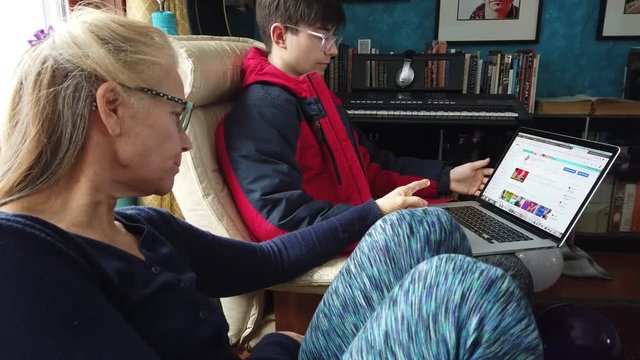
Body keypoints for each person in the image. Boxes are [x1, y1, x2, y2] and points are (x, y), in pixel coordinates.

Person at [0, 6, 543, 360]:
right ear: (111, 109)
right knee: (469, 290)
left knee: (420, 233)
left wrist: (377, 212)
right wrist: (273, 353)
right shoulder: (21, 260)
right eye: (176, 115)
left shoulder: (142, 226)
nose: (188, 142)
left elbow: (264, 264)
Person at [216, 0, 535, 295]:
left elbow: (370, 167)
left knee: (493, 241)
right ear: (280, 35)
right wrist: (376, 216)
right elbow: (278, 221)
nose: (333, 51)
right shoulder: (263, 108)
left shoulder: (314, 93)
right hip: (341, 243)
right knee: (508, 271)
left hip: (359, 227)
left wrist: (446, 177)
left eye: (334, 38)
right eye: (322, 37)